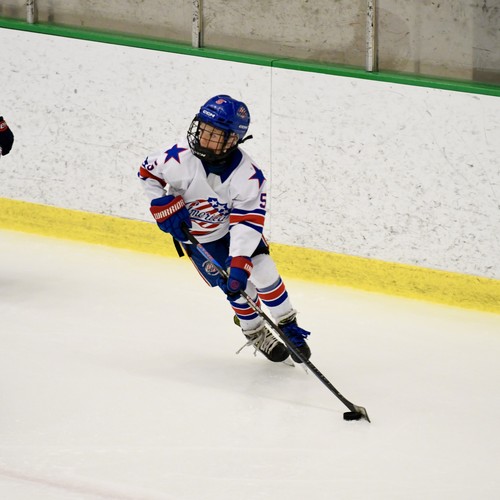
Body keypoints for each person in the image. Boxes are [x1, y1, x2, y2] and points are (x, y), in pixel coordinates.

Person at [138, 95, 311, 363]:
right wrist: (160, 204)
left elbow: (247, 220)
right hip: (200, 240)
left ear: (233, 140)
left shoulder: (248, 175)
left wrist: (239, 259)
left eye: (215, 134)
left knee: (263, 268)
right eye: (203, 129)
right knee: (239, 291)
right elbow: (147, 174)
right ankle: (255, 331)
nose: (204, 138)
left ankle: (288, 323)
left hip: (233, 231)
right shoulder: (179, 157)